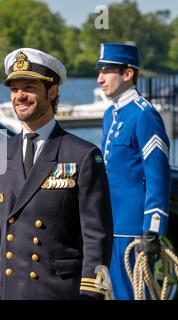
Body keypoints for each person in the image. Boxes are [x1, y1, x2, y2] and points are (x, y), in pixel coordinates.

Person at [0, 48, 113, 300]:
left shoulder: (82, 155)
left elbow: (96, 236)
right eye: (14, 89)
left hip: (58, 291)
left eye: (29, 87)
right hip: (7, 291)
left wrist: (91, 292)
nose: (19, 96)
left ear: (51, 92)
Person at [96, 43, 171, 300]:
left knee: (132, 294)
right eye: (100, 70)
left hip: (133, 226)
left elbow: (157, 174)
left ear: (127, 74)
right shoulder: (110, 114)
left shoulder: (144, 115)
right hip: (110, 222)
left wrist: (153, 227)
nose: (100, 78)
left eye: (107, 70)